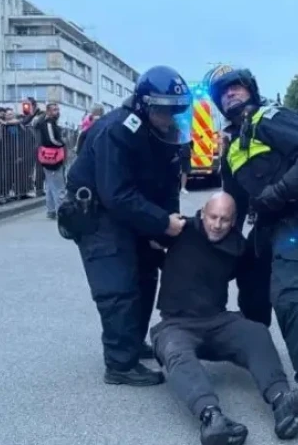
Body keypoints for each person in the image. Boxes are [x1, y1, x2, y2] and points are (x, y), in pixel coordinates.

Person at [209, 65, 298, 424]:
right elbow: (233, 199)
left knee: (290, 293)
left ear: (250, 88)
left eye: (235, 87)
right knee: (251, 286)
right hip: (266, 223)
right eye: (223, 92)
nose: (230, 94)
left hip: (297, 217)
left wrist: (278, 193)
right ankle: (258, 356)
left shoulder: (271, 118)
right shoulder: (233, 142)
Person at [151, 192, 298, 445]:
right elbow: (145, 231)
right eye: (213, 217)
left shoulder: (238, 247)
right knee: (176, 352)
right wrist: (160, 230)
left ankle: (282, 402)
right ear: (203, 213)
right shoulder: (181, 229)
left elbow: (253, 286)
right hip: (175, 325)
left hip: (217, 321)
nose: (217, 224)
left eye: (225, 219)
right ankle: (212, 418)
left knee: (256, 333)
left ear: (234, 221)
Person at [60, 65, 191, 387]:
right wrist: (161, 222)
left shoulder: (164, 132)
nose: (170, 115)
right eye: (163, 110)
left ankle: (132, 343)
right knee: (118, 287)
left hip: (135, 212)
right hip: (100, 215)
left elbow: (168, 184)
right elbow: (115, 193)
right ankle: (119, 364)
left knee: (146, 277)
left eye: (175, 109)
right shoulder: (116, 130)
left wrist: (165, 227)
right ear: (145, 105)